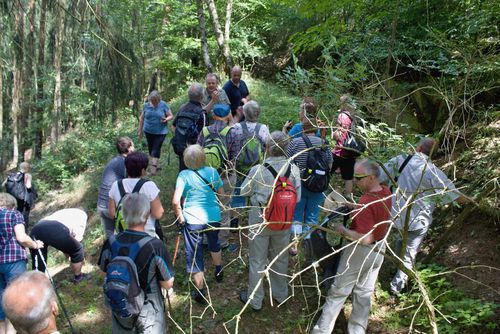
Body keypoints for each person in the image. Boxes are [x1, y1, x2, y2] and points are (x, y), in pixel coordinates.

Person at [380, 137, 469, 295]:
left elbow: (379, 176)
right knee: (409, 253)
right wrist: (472, 201)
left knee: (400, 241)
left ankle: (393, 269)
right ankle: (396, 289)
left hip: (394, 214)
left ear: (419, 148)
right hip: (418, 220)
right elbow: (453, 194)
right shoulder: (433, 171)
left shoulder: (400, 160)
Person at [311, 159, 392, 334]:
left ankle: (321, 331)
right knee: (364, 292)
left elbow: (364, 238)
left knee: (338, 291)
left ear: (371, 178)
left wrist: (343, 230)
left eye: (358, 177)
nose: (355, 180)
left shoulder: (366, 202)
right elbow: (375, 214)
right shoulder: (385, 192)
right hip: (379, 250)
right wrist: (353, 207)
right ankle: (357, 330)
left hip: (360, 251)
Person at [238, 131, 301, 311]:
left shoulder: (258, 170)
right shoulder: (294, 170)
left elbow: (243, 191)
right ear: (287, 149)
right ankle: (280, 294)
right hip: (283, 221)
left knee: (257, 261)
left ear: (266, 148)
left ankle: (256, 300)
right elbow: (297, 199)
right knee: (280, 258)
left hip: (260, 220)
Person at [99, 193, 174, 333]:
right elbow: (167, 283)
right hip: (149, 310)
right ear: (147, 215)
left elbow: (104, 273)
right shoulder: (155, 245)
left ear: (124, 214)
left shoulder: (111, 242)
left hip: (121, 307)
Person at [172, 145, 224, 305]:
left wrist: (180, 217)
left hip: (192, 219)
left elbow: (175, 201)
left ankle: (200, 292)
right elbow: (222, 194)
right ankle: (218, 271)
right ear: (203, 157)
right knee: (214, 243)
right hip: (213, 216)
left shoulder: (184, 175)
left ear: (186, 160)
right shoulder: (212, 172)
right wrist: (218, 207)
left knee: (195, 253)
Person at [286, 104, 333, 255]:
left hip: (300, 184)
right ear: (316, 129)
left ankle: (294, 245)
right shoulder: (324, 143)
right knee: (312, 215)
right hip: (319, 184)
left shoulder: (296, 143)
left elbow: (287, 161)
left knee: (297, 214)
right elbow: (330, 164)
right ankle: (309, 245)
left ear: (303, 129)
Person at [197, 104, 242, 251]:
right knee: (224, 208)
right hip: (225, 177)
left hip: (206, 177)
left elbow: (197, 154)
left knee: (207, 206)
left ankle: (205, 239)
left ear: (213, 116)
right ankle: (222, 242)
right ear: (229, 115)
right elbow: (236, 157)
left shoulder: (204, 131)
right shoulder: (233, 133)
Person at [0, 193, 44, 334]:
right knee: (16, 301)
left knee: (1, 306)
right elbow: (21, 237)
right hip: (13, 261)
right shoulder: (14, 214)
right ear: (11, 204)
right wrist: (35, 244)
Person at [231, 100, 270, 229]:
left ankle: (235, 221)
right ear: (258, 114)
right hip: (256, 167)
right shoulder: (263, 128)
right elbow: (268, 145)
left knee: (238, 191)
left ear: (244, 113)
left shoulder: (237, 127)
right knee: (256, 192)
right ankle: (254, 219)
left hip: (240, 167)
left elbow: (231, 143)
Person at [108, 152, 164, 238]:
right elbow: (158, 214)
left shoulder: (116, 185)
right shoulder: (149, 185)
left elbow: (112, 214)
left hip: (122, 236)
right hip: (146, 237)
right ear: (143, 170)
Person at [30, 208, 89, 284]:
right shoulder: (82, 216)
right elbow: (76, 242)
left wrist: (70, 257)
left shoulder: (68, 212)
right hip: (54, 227)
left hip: (36, 228)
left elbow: (67, 246)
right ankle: (78, 277)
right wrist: (77, 259)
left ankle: (36, 285)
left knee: (38, 262)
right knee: (78, 249)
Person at [97, 136, 134, 238]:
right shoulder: (126, 163)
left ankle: (112, 252)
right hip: (113, 206)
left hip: (101, 204)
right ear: (129, 147)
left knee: (110, 238)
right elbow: (131, 184)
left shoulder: (114, 161)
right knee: (126, 236)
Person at [171, 83, 208, 172]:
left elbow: (173, 126)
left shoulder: (182, 108)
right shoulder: (201, 112)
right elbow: (203, 132)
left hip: (181, 146)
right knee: (196, 169)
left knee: (183, 169)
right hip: (195, 148)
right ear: (202, 96)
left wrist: (180, 137)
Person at [138, 90, 174, 175]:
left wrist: (166, 119)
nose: (154, 104)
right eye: (152, 101)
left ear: (159, 100)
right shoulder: (146, 106)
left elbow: (171, 116)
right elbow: (142, 118)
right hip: (148, 131)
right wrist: (140, 130)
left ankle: (152, 170)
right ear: (149, 99)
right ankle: (155, 165)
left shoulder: (163, 104)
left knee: (156, 148)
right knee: (151, 149)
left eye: (156, 102)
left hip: (161, 131)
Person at [330, 94, 358, 197]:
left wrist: (332, 134)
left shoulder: (342, 116)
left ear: (344, 104)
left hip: (340, 151)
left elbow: (339, 136)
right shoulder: (354, 116)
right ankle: (348, 200)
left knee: (326, 171)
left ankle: (319, 191)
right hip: (352, 150)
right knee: (348, 178)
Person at [2, 162, 36, 227]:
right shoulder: (27, 175)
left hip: (13, 199)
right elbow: (28, 186)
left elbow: (3, 184)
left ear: (20, 167)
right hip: (24, 200)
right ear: (27, 168)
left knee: (14, 215)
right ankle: (24, 231)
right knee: (24, 216)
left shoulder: (11, 175)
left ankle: (13, 231)